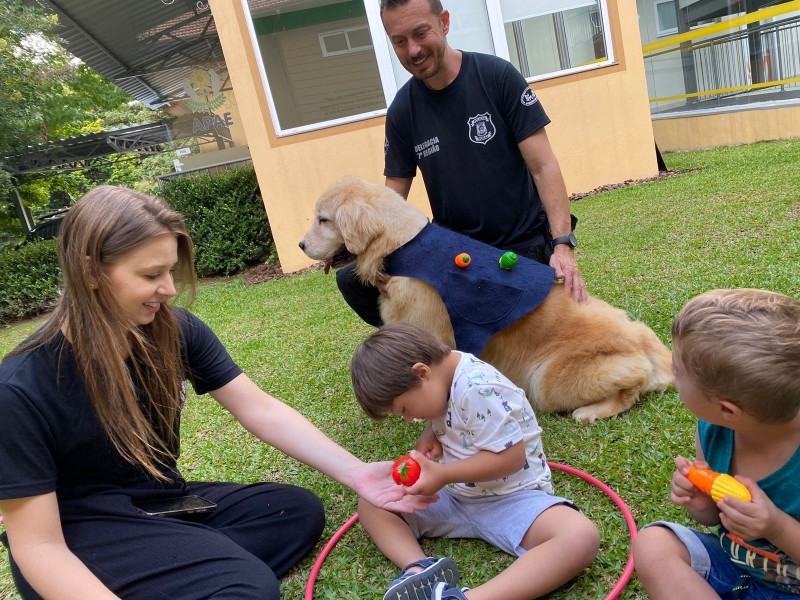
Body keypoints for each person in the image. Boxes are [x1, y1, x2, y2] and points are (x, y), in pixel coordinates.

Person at [0, 186, 434, 600]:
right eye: (151, 274)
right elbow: (39, 547)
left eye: (169, 271)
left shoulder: (174, 330)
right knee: (247, 587)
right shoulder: (20, 388)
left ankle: (176, 565)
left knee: (295, 513)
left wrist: (356, 472)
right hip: (80, 532)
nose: (169, 288)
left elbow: (258, 408)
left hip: (158, 502)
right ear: (90, 270)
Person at [337, 0, 587, 328]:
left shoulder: (497, 77)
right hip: (457, 255)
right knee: (352, 281)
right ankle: (424, 343)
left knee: (551, 340)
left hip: (521, 246)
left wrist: (562, 245)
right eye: (399, 41)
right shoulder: (402, 112)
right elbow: (390, 199)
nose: (412, 50)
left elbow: (544, 167)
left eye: (420, 33)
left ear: (444, 22)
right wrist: (360, 248)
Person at [350, 322, 600, 600]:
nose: (408, 419)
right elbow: (450, 412)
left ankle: (469, 598)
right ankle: (418, 569)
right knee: (373, 501)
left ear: (421, 373)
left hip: (513, 499)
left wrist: (442, 475)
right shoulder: (439, 382)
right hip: (457, 498)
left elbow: (511, 458)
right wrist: (431, 432)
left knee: (579, 536)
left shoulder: (478, 387)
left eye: (405, 409)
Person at [633, 288, 800, 599]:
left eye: (677, 372)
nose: (670, 371)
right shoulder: (714, 429)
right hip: (736, 568)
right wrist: (703, 504)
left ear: (728, 409)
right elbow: (715, 520)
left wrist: (776, 527)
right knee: (654, 544)